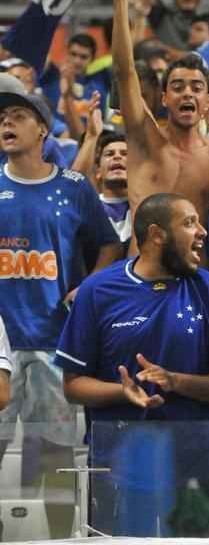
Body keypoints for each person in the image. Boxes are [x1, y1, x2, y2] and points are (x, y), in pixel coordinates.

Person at [55, 192, 209, 537]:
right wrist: (122, 391)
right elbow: (72, 385)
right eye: (189, 223)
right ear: (157, 235)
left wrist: (176, 382)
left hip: (198, 465)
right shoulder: (97, 291)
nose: (202, 232)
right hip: (119, 465)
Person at [0, 87, 120, 537]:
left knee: (49, 459)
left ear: (43, 129)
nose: (6, 123)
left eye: (17, 115)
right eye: (2, 118)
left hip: (54, 342)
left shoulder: (74, 188)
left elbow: (109, 242)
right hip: (1, 347)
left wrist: (88, 283)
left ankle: (54, 539)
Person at [106, 0, 209, 277]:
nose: (187, 93)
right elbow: (125, 72)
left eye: (196, 87)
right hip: (138, 280)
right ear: (163, 98)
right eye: (177, 86)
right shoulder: (143, 137)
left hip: (194, 282)